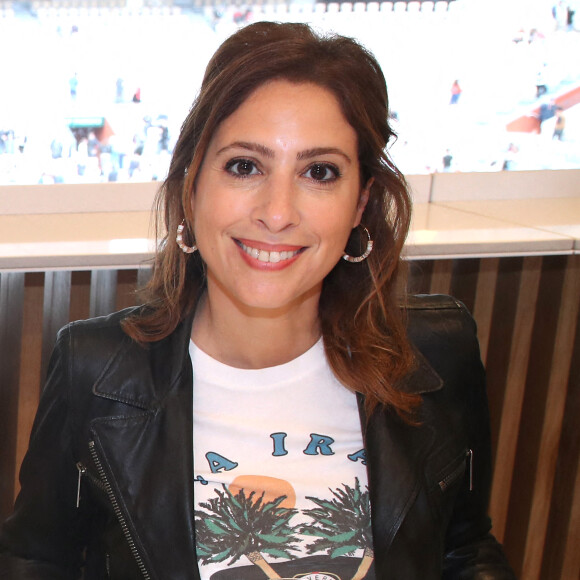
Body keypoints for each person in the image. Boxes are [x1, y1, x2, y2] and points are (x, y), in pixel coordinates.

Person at [0, 22, 515, 579]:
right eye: (244, 166)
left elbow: (465, 549)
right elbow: (35, 560)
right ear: (192, 184)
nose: (277, 212)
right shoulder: (96, 372)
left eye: (319, 173)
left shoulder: (436, 357)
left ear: (361, 202)